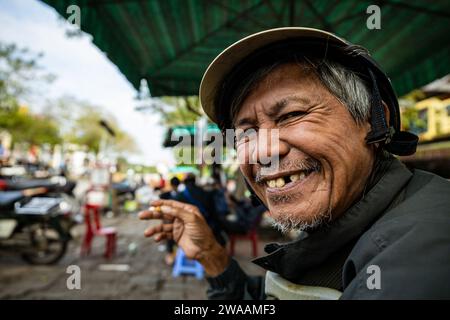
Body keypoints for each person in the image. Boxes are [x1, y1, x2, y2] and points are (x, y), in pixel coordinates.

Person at [139, 27, 450, 299]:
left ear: (371, 119)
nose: (263, 151)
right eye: (246, 133)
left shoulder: (419, 253)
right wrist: (212, 256)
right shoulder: (345, 218)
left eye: (291, 116)